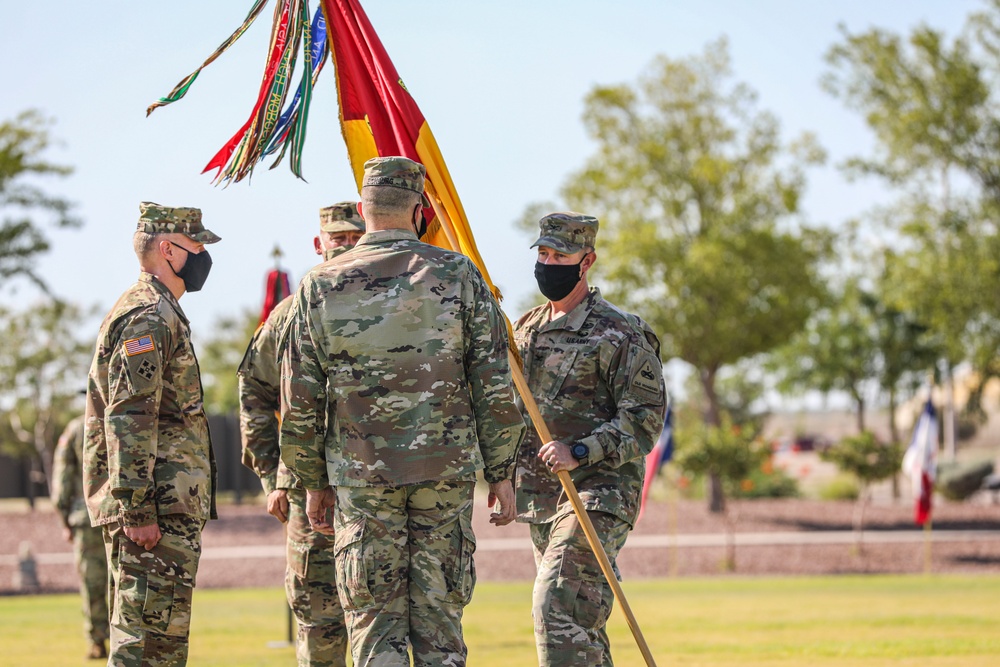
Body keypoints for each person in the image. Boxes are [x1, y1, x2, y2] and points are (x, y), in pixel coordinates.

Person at [280, 156, 526, 667]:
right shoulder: (460, 277)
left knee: (374, 634)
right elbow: (493, 385)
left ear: (365, 210)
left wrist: (312, 482)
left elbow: (298, 400)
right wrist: (501, 472)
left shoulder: (320, 285)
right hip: (445, 473)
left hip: (361, 478)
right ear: (418, 210)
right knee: (440, 632)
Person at [513, 212, 666, 667]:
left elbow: (644, 419)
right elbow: (514, 414)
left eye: (560, 255)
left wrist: (581, 452)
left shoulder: (619, 332)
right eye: (543, 253)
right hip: (543, 497)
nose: (548, 263)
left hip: (601, 491)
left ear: (587, 261)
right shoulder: (524, 331)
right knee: (579, 621)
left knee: (555, 603)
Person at [83, 201, 221, 667]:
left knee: (158, 646)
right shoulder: (147, 316)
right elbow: (130, 416)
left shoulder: (161, 312)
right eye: (197, 246)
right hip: (153, 515)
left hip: (162, 508)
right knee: (145, 648)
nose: (203, 257)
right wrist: (138, 507)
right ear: (169, 250)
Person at [238, 202, 364, 667]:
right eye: (339, 240)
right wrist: (271, 475)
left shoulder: (391, 305)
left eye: (356, 239)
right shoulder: (289, 314)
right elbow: (253, 386)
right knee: (319, 618)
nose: (347, 248)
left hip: (377, 487)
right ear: (319, 244)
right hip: (309, 492)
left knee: (384, 618)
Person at [52, 413, 110, 660]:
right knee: (127, 580)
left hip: (86, 518)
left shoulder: (76, 428)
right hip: (125, 515)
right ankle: (128, 641)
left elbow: (63, 476)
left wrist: (64, 517)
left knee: (92, 582)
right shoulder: (125, 417)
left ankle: (97, 642)